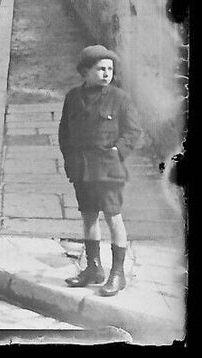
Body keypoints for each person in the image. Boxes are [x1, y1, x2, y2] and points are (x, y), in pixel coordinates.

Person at [58, 45, 144, 297]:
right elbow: (65, 132)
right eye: (100, 69)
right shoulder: (73, 97)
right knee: (88, 216)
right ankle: (93, 267)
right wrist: (69, 159)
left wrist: (118, 151)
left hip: (108, 170)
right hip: (82, 168)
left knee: (113, 218)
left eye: (109, 69)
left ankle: (118, 272)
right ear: (85, 72)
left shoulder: (120, 98)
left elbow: (133, 131)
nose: (106, 73)